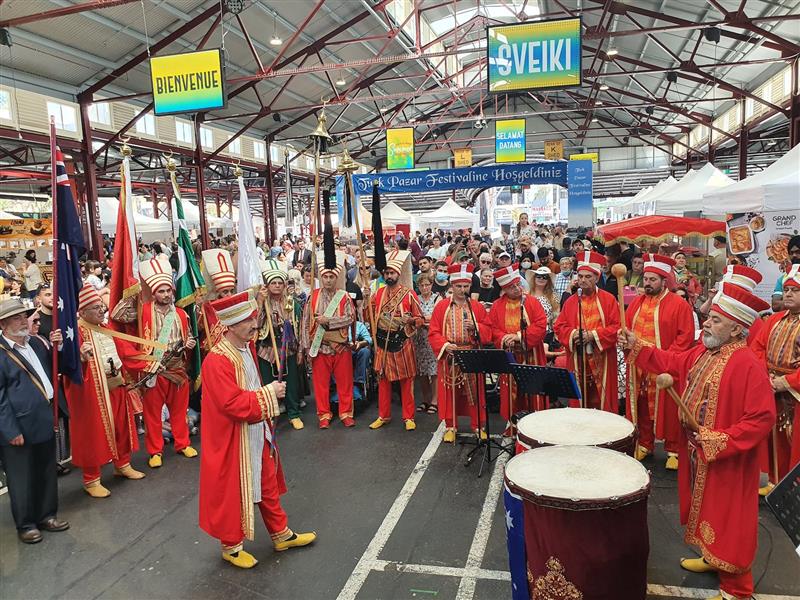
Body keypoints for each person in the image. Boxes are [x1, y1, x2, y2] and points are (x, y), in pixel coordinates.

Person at [619, 282, 774, 600]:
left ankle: (736, 590)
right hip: (698, 453)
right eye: (710, 317)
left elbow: (761, 418)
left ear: (735, 329)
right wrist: (637, 346)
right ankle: (711, 556)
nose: (706, 322)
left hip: (726, 459)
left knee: (730, 522)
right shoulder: (705, 351)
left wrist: (718, 440)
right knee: (706, 512)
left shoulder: (748, 364)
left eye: (716, 319)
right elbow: (672, 363)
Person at [199, 290, 316, 569]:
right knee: (233, 491)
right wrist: (269, 393)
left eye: (254, 318)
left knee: (267, 483)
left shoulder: (246, 347)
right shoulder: (216, 360)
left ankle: (281, 534)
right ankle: (231, 546)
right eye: (248, 321)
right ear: (232, 325)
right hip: (232, 438)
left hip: (255, 430)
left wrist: (265, 396)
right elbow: (232, 404)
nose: (255, 324)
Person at [63, 284, 146, 498]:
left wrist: (149, 359)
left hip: (116, 384)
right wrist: (80, 358)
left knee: (121, 427)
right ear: (82, 312)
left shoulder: (105, 326)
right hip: (92, 392)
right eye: (95, 308)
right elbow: (68, 366)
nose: (102, 310)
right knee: (92, 433)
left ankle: (122, 465)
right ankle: (91, 480)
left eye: (102, 307)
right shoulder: (75, 333)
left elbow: (124, 351)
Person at [0, 297, 69, 543]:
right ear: (3, 324)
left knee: (46, 471)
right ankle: (26, 524)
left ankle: (47, 515)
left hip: (44, 418)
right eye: (17, 317)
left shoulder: (37, 344)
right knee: (22, 478)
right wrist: (10, 431)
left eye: (24, 316)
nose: (23, 320)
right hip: (19, 426)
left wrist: (58, 348)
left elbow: (54, 369)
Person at [623, 254, 695, 469]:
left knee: (670, 408)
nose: (647, 283)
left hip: (664, 366)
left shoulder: (679, 305)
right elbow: (626, 329)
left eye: (653, 279)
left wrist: (665, 360)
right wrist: (623, 339)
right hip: (639, 365)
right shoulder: (635, 303)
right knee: (642, 405)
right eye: (646, 278)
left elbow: (685, 337)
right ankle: (645, 443)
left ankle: (673, 449)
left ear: (664, 281)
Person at [128, 256, 198, 468]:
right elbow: (119, 315)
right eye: (161, 291)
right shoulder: (143, 311)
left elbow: (187, 338)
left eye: (168, 291)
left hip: (177, 369)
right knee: (152, 415)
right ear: (154, 293)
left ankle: (182, 443)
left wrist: (189, 344)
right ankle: (155, 451)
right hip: (154, 370)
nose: (166, 295)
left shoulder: (181, 314)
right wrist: (130, 293)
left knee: (179, 411)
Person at [299, 203, 356, 429]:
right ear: (321, 278)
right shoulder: (311, 297)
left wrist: (328, 321)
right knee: (320, 385)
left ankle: (345, 413)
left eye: (332, 277)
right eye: (326, 277)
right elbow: (305, 324)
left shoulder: (344, 297)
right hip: (318, 347)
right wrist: (305, 348)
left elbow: (350, 317)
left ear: (337, 277)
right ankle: (323, 415)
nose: (329, 280)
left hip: (340, 345)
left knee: (345, 383)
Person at [428, 263, 492, 443]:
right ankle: (450, 425)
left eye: (466, 286)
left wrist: (477, 327)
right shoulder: (441, 307)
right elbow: (433, 332)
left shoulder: (477, 308)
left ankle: (478, 425)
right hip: (450, 355)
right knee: (450, 391)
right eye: (459, 286)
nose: (462, 290)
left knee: (474, 392)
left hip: (471, 354)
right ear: (452, 286)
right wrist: (445, 345)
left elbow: (488, 330)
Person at [751, 263, 800, 495]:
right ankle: (775, 481)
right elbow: (757, 348)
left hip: (794, 391)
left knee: (795, 441)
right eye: (787, 290)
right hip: (772, 385)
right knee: (775, 437)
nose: (789, 294)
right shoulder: (774, 319)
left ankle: (793, 489)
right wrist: (766, 376)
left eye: (796, 290)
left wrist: (787, 382)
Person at [553, 251, 620, 412]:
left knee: (602, 402)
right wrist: (573, 334)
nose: (583, 280)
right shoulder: (570, 301)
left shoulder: (609, 299)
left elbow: (616, 327)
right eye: (581, 276)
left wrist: (592, 335)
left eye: (588, 277)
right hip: (577, 358)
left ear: (596, 278)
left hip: (602, 359)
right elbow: (559, 327)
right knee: (579, 403)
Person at [488, 264, 547, 431]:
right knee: (513, 394)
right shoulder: (497, 305)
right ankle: (514, 426)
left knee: (533, 392)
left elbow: (541, 325)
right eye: (511, 287)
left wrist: (519, 336)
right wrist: (504, 339)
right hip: (511, 356)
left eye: (517, 284)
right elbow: (492, 329)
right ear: (504, 289)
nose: (516, 288)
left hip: (532, 355)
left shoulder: (532, 302)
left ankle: (536, 428)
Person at [369, 249, 423, 431]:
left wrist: (411, 321)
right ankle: (383, 416)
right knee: (382, 380)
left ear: (398, 274)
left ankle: (408, 417)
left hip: (402, 342)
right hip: (383, 342)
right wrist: (367, 302)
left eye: (392, 273)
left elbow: (420, 319)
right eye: (386, 273)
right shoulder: (377, 294)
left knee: (406, 382)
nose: (389, 275)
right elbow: (369, 316)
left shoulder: (409, 294)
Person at [257, 260, 305, 430]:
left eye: (279, 283)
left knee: (291, 384)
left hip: (288, 348)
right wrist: (260, 304)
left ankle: (294, 414)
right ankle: (269, 416)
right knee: (268, 385)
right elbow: (255, 325)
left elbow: (300, 328)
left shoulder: (293, 302)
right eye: (273, 283)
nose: (277, 286)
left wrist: (300, 350)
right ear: (267, 285)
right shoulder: (261, 302)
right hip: (267, 349)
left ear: (284, 285)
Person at [200, 248, 236, 352]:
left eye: (231, 291)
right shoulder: (205, 307)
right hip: (213, 353)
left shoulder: (235, 304)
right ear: (217, 291)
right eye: (225, 292)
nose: (229, 295)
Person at [414, 273, 440, 415]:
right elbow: (414, 316)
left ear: (431, 285)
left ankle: (435, 401)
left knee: (434, 371)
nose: (424, 287)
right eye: (422, 285)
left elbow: (435, 317)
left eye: (427, 284)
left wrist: (421, 319)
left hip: (432, 338)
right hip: (419, 338)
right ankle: (426, 399)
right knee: (422, 371)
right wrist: (423, 320)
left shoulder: (437, 298)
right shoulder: (416, 299)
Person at [528, 267, 560, 332]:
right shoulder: (526, 294)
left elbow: (557, 316)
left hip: (548, 333)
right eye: (538, 276)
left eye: (545, 277)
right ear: (534, 278)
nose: (541, 278)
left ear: (548, 280)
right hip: (530, 332)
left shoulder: (554, 296)